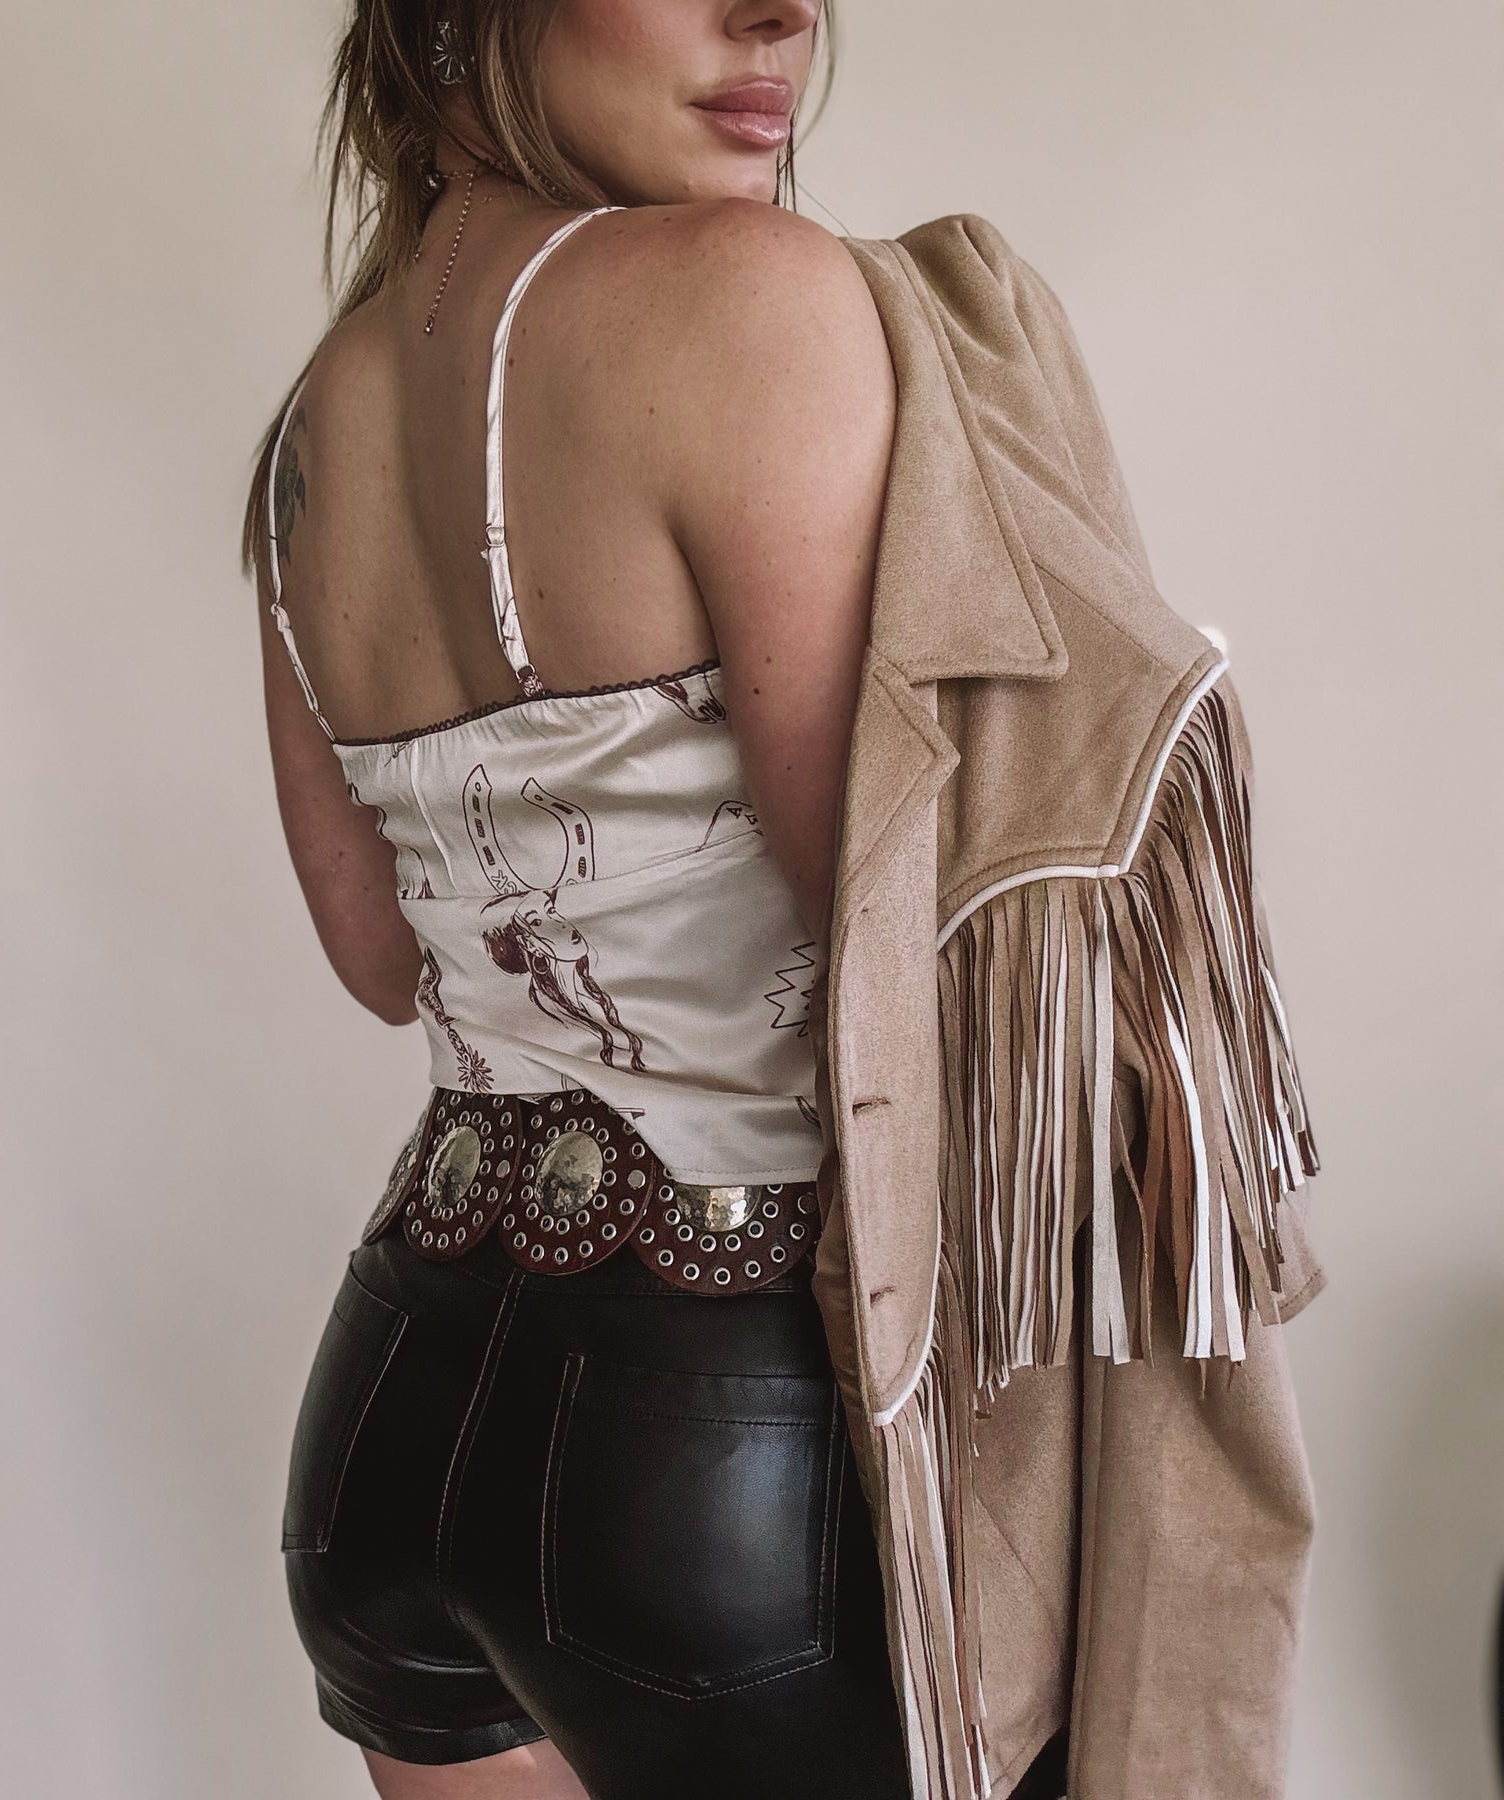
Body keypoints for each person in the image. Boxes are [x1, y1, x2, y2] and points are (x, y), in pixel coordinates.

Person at [245, 4, 1072, 1797]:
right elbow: (894, 919)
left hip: (394, 1408)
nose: (783, 11)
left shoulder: (320, 410)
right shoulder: (749, 291)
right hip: (731, 1468)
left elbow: (379, 955)